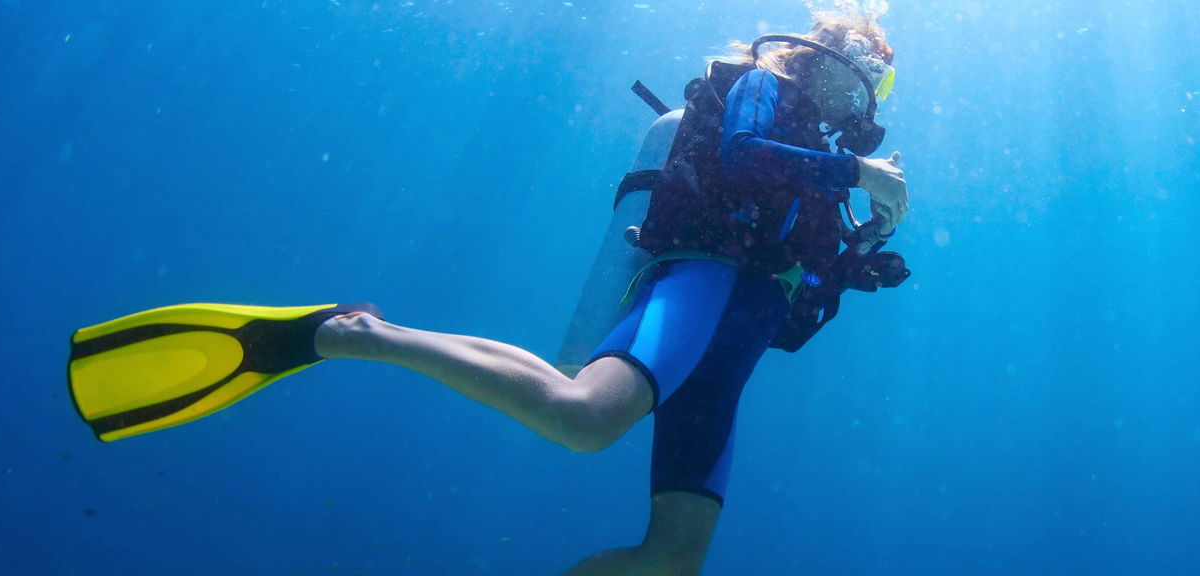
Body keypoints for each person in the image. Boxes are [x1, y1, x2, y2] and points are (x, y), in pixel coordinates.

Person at [65, 7, 909, 575]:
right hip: (702, 282)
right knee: (583, 419)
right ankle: (347, 335)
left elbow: (792, 312)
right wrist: (856, 171)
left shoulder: (827, 164)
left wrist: (858, 251)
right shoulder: (766, 83)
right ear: (835, 50)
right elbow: (738, 156)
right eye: (871, 65)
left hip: (735, 340)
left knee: (673, 556)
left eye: (882, 79)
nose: (868, 88)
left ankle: (361, 334)